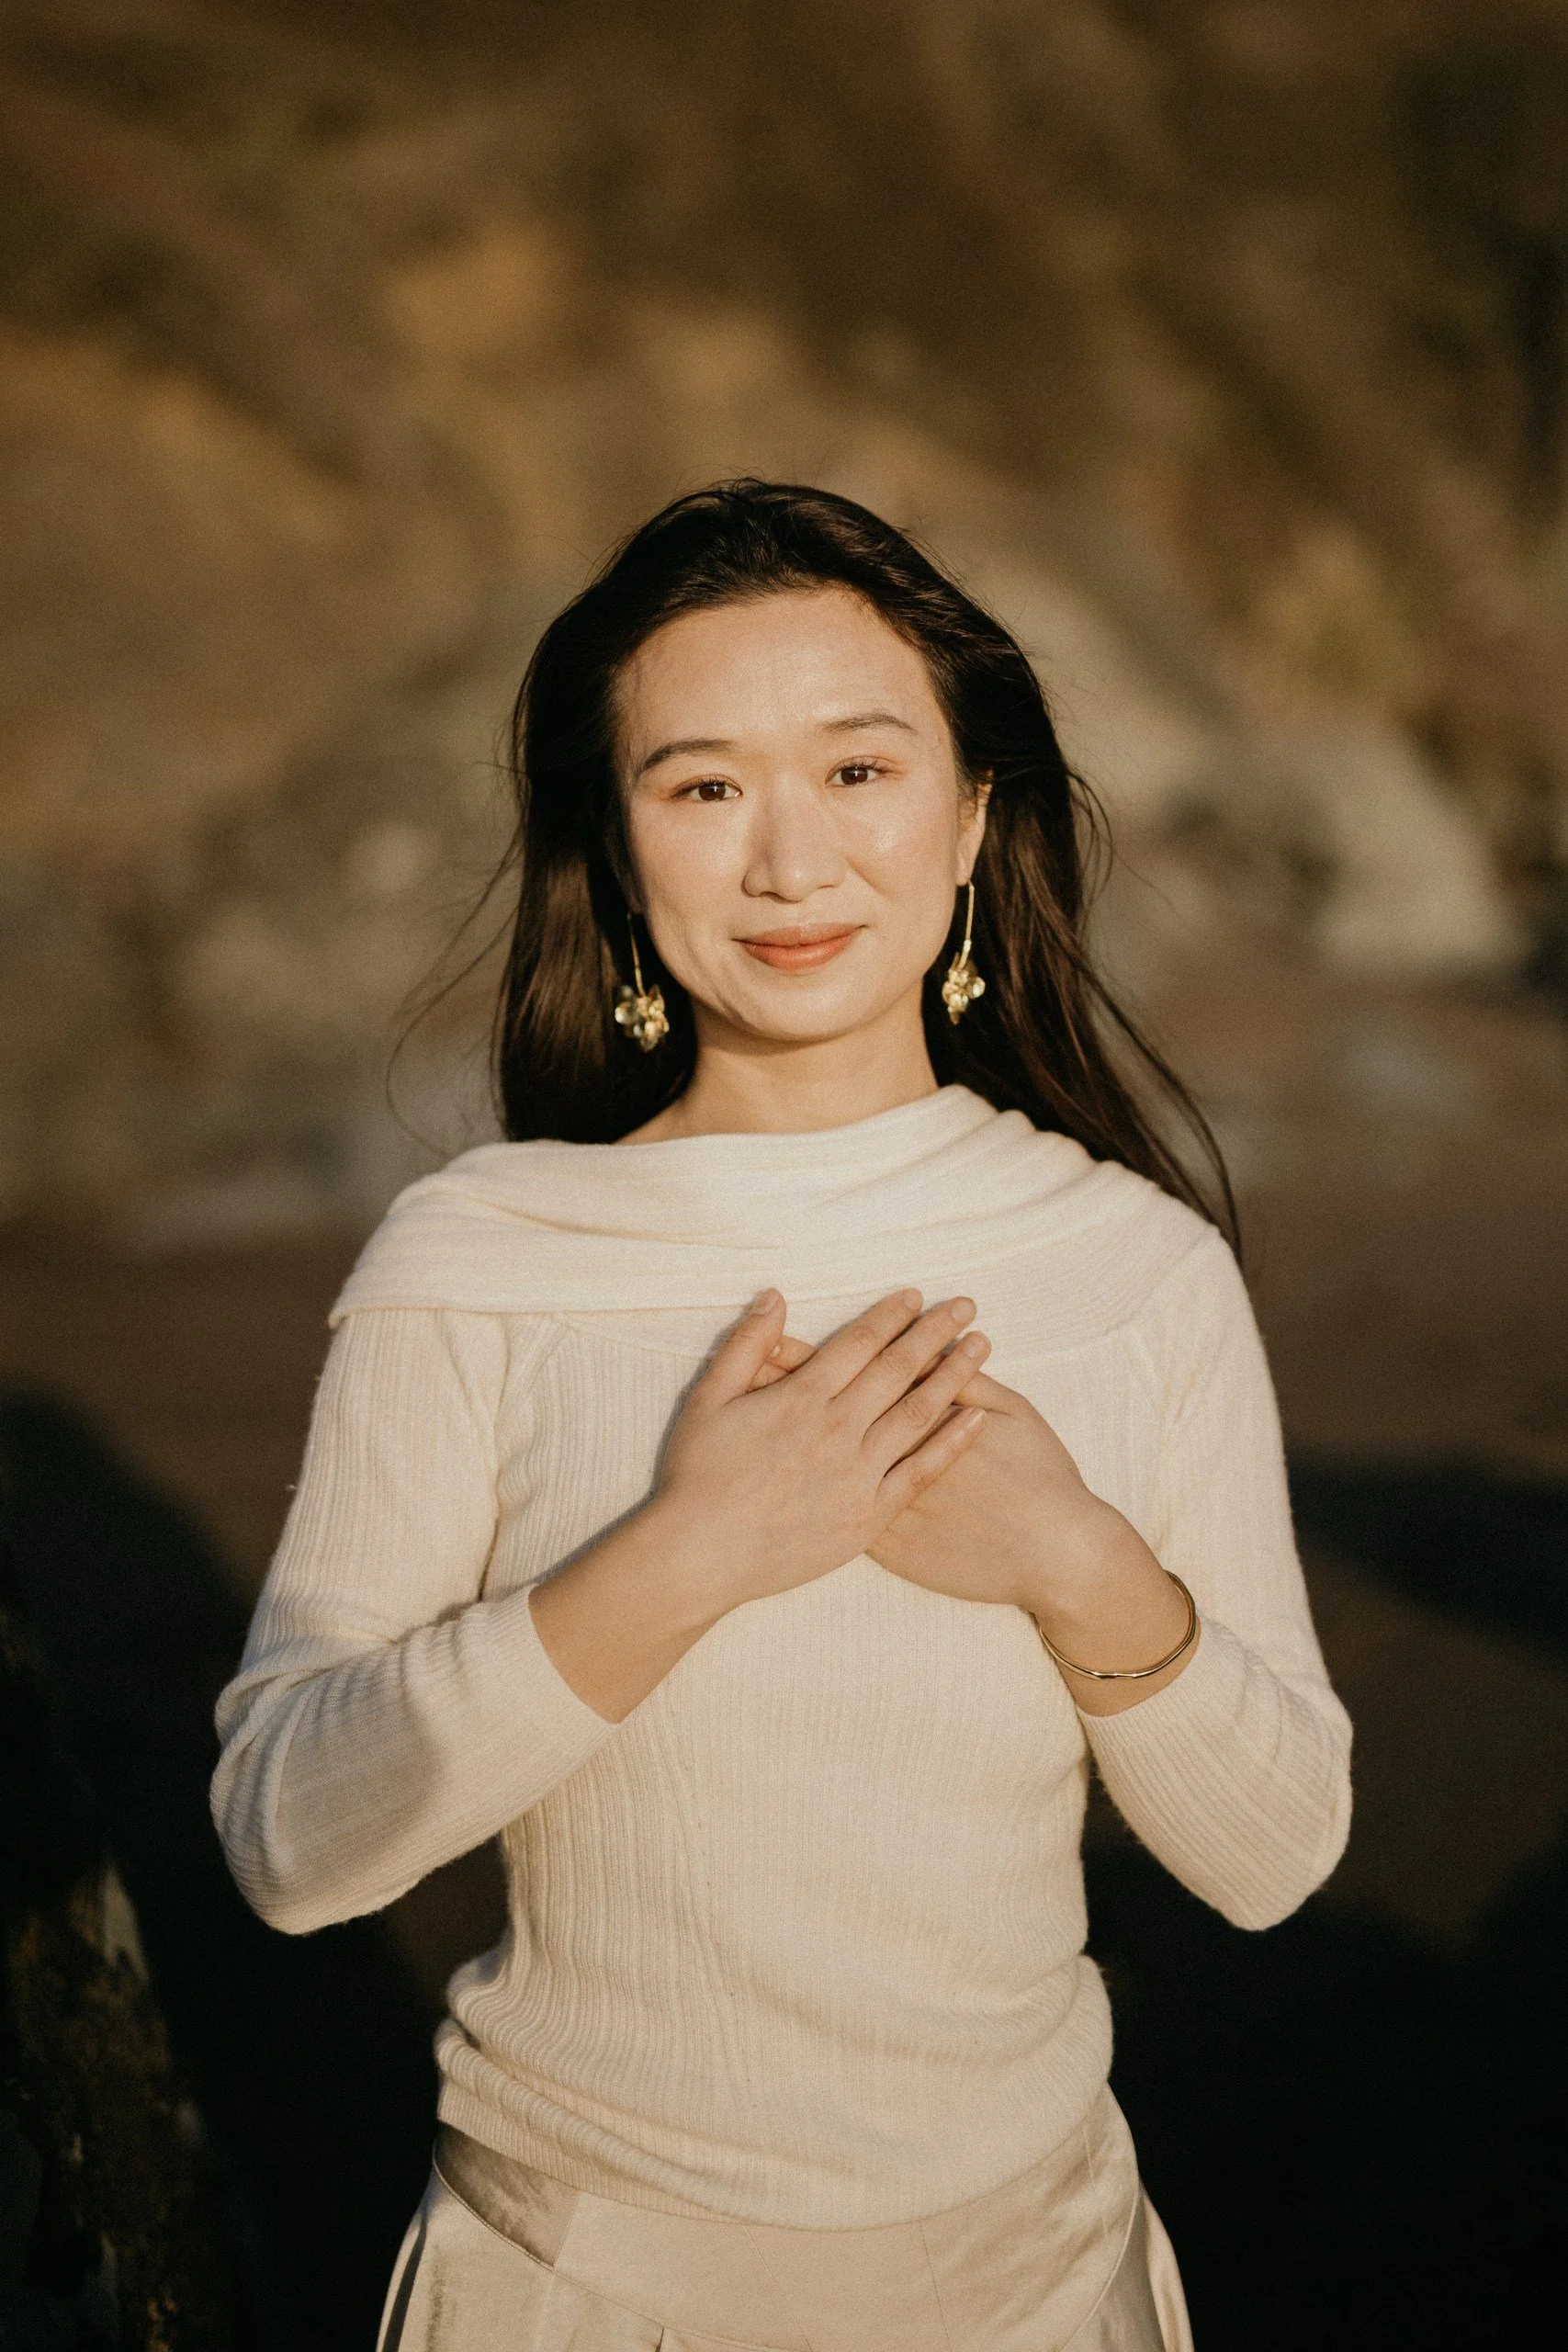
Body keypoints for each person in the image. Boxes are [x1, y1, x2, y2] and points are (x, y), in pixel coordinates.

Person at [211, 481, 1352, 2351]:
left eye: (855, 769)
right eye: (703, 784)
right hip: (575, 2286)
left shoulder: (1127, 1264)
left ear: (974, 814)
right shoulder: (485, 1252)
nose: (788, 860)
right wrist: (686, 1553)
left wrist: (1076, 1561)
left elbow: (1274, 1845)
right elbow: (286, 1835)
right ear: (620, 840)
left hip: (1034, 2284)